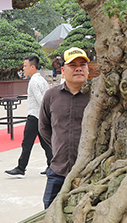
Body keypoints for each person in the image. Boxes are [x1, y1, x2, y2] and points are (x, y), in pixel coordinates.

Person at [38, 47, 92, 209]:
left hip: (89, 172)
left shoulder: (96, 97)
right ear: (63, 70)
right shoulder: (51, 96)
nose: (78, 68)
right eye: (72, 64)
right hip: (58, 169)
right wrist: (58, 147)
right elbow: (44, 127)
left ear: (88, 70)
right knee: (49, 211)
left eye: (83, 64)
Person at [5, 55, 52, 177]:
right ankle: (52, 165)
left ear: (33, 67)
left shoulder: (34, 81)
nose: (23, 68)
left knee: (27, 143)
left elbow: (41, 100)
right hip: (42, 117)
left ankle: (21, 168)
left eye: (25, 66)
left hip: (35, 117)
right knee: (46, 143)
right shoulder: (42, 80)